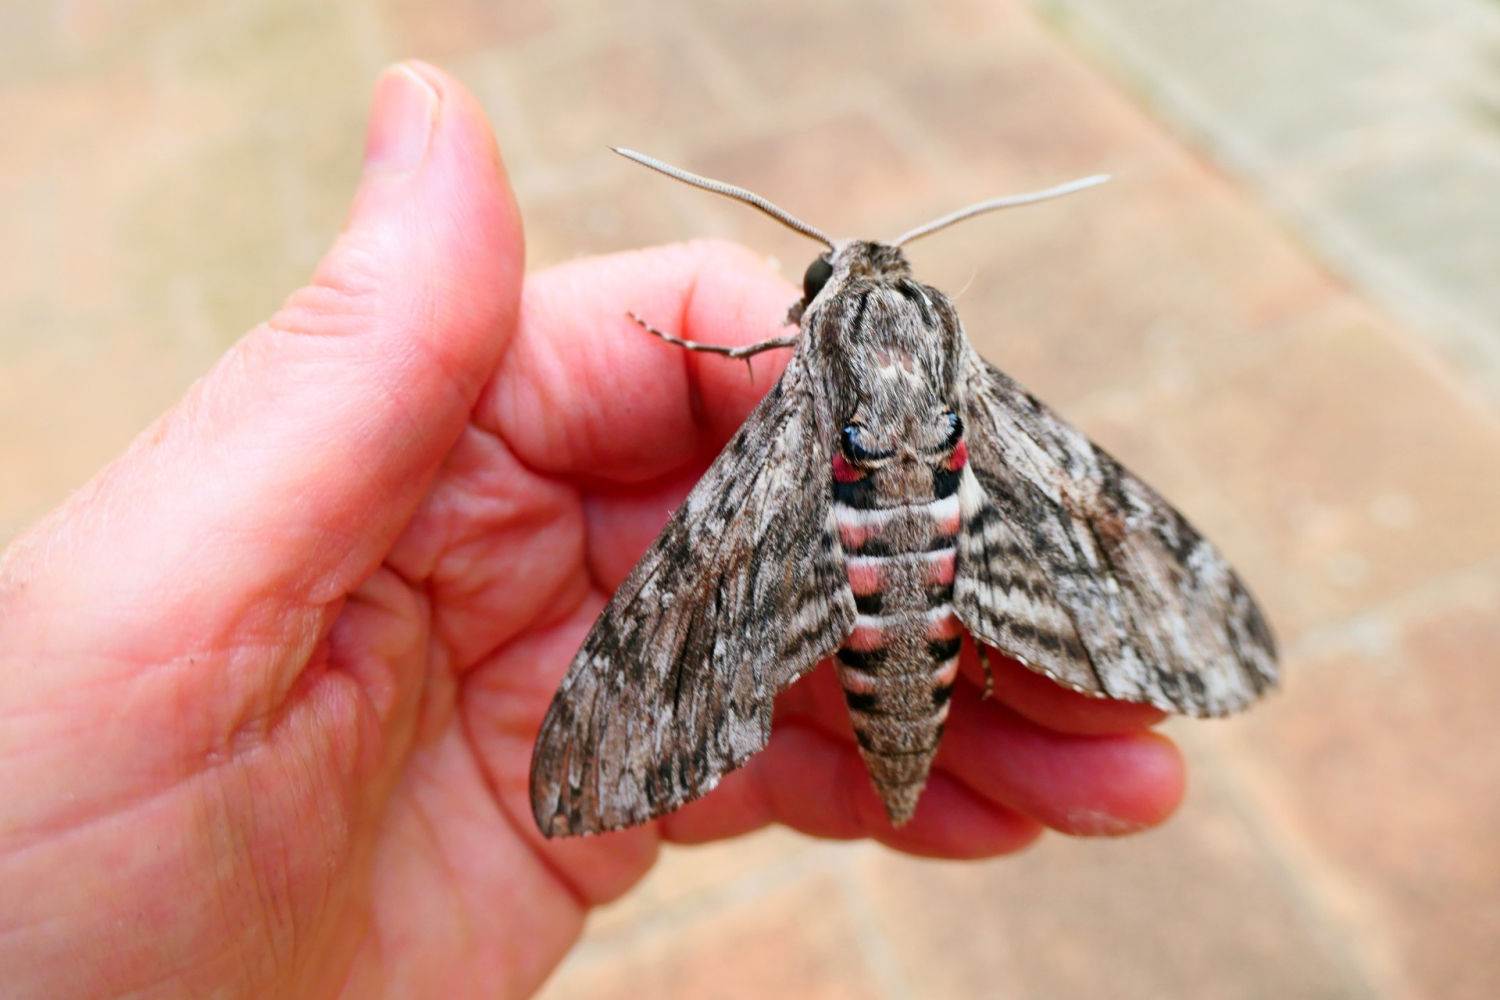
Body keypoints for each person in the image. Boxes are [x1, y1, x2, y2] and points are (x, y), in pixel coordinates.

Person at [0, 63, 1184, 998]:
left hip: (844, 627)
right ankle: (988, 636)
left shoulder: (800, 356)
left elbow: (763, 363)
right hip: (933, 616)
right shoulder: (954, 375)